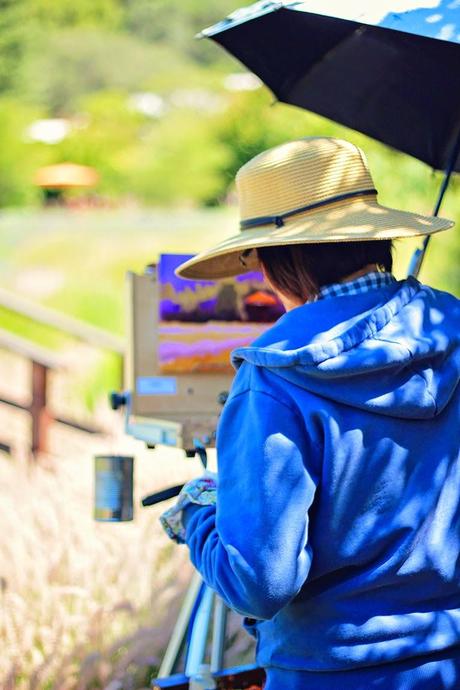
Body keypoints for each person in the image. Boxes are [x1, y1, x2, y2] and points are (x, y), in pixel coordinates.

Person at [161, 137, 460, 689]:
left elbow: (259, 581)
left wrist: (197, 512)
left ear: (280, 260)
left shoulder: (275, 379)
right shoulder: (451, 331)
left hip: (329, 670)